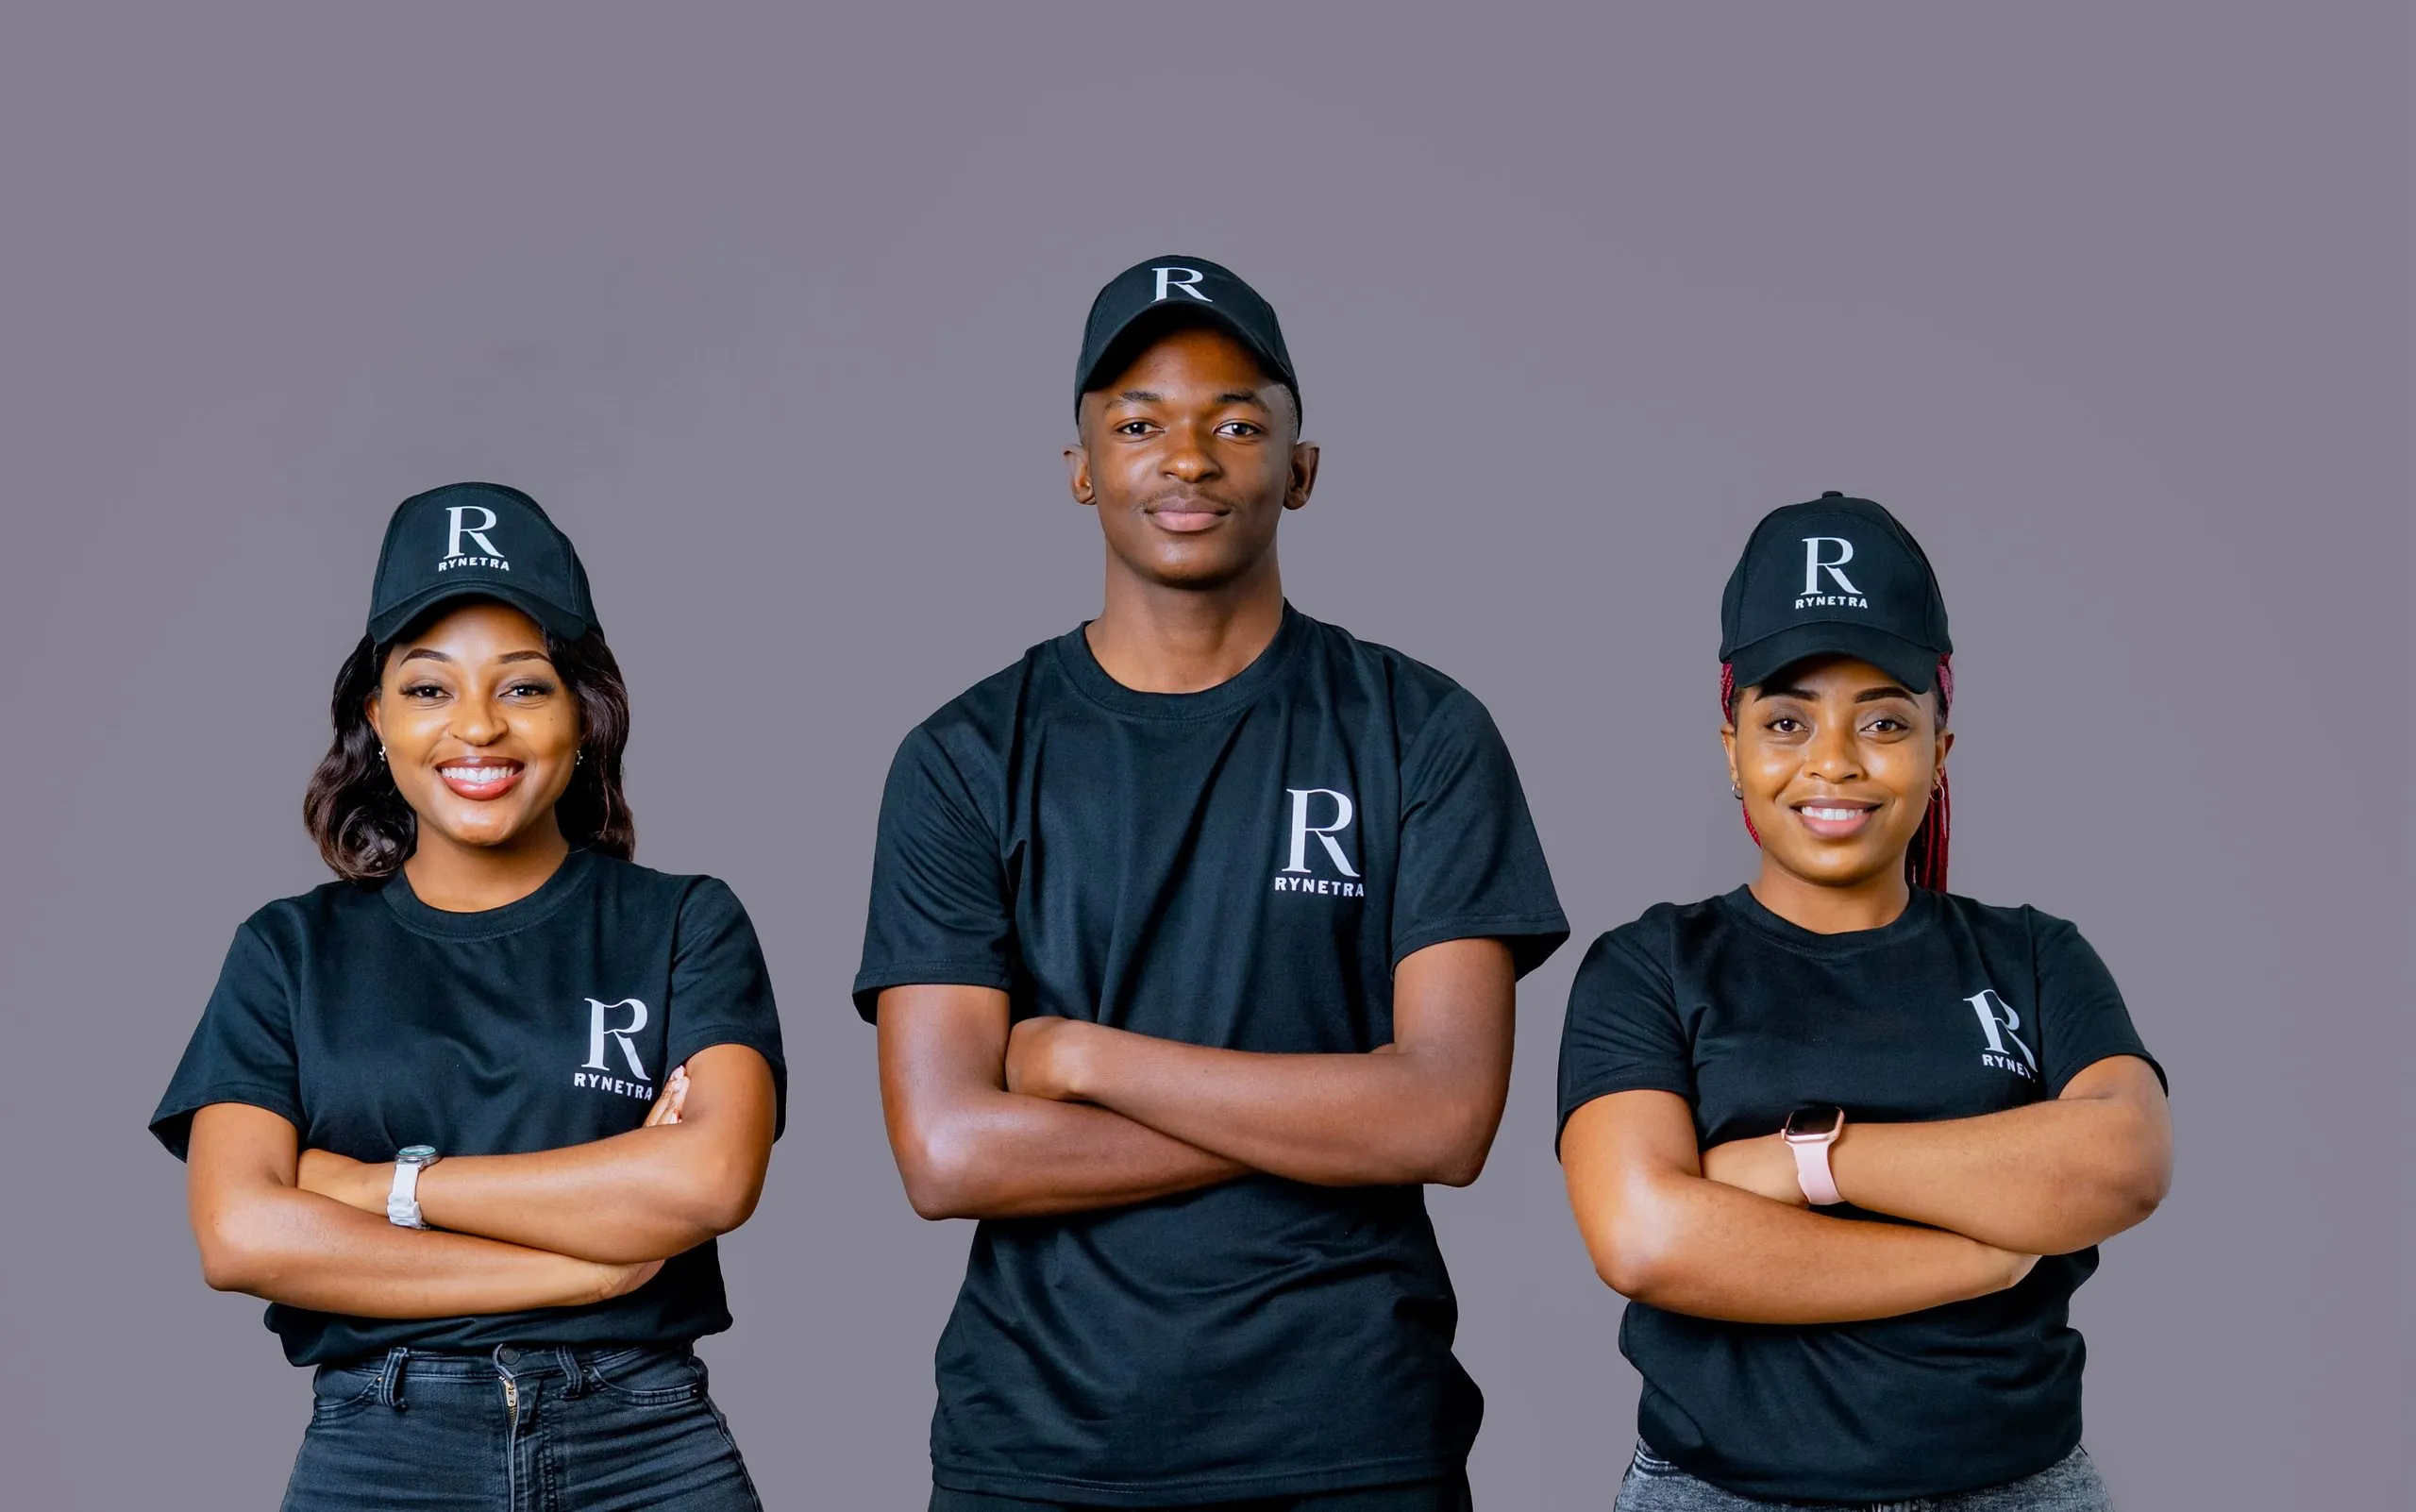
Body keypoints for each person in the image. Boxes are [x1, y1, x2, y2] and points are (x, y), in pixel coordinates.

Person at [856, 258, 1569, 1511]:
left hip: (1353, 1436)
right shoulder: (966, 757)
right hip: (1040, 1446)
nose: (1186, 457)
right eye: (1138, 424)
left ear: (1300, 467)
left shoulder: (1423, 733)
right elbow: (950, 1151)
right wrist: (1319, 1118)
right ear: (1080, 467)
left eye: (1236, 423)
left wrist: (1081, 1053)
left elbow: (1445, 1118)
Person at [151, 482, 786, 1511]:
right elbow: (243, 1235)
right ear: (376, 717)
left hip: (646, 1444)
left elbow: (709, 1182)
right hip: (383, 1448)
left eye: (525, 687)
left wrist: (374, 1191)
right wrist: (592, 1270)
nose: (478, 729)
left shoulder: (681, 923)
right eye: (429, 688)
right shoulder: (287, 951)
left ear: (583, 712)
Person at [1555, 494, 2173, 1510]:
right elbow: (1649, 1239)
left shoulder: (2031, 956)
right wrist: (1979, 1254)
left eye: (1884, 720)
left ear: (1940, 752)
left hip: (2019, 1490)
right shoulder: (1650, 966)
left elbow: (2124, 1162)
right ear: (1730, 752)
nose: (1833, 759)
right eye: (1787, 719)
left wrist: (1798, 1164)